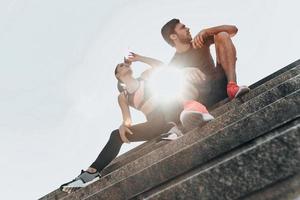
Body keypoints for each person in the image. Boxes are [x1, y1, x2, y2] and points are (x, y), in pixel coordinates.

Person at [60, 53, 212, 193]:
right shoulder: (123, 96)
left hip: (171, 110)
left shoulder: (145, 77)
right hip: (155, 125)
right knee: (116, 135)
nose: (124, 65)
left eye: (125, 64)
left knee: (173, 88)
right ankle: (89, 175)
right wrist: (123, 125)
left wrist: (138, 58)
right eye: (121, 66)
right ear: (118, 76)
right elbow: (127, 119)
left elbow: (161, 66)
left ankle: (189, 118)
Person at [160, 19, 250, 111]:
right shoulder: (174, 64)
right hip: (203, 98)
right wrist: (183, 71)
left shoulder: (198, 42)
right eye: (183, 28)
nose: (187, 28)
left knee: (222, 35)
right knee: (178, 76)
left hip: (221, 84)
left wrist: (206, 31)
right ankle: (193, 108)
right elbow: (166, 86)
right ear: (173, 36)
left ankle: (232, 87)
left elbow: (233, 29)